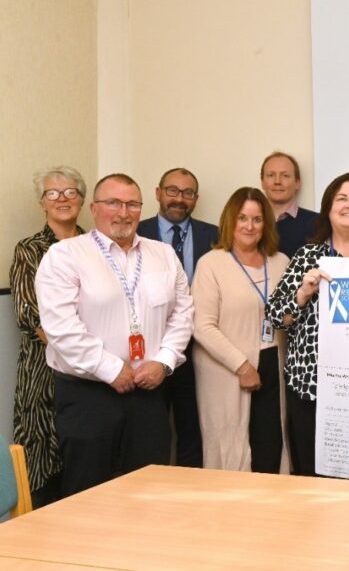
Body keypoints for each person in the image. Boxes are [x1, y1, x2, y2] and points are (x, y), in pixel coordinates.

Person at [35, 173, 193, 497]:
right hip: (88, 397)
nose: (124, 212)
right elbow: (61, 328)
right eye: (113, 203)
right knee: (87, 494)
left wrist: (163, 363)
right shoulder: (65, 256)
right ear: (93, 208)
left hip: (148, 393)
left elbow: (182, 315)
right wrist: (110, 368)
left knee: (149, 491)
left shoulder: (163, 254)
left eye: (132, 203)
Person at [266, 172, 349, 476]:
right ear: (328, 207)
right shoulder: (306, 255)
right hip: (312, 391)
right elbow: (275, 316)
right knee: (314, 479)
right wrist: (302, 293)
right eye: (342, 199)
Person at [192, 188, 289, 473]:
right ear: (230, 221)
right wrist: (242, 365)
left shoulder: (281, 261)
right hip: (228, 369)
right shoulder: (211, 264)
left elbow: (288, 314)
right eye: (242, 218)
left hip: (274, 362)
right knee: (231, 446)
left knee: (270, 443)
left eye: (257, 219)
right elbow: (202, 325)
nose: (249, 226)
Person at [9, 166, 87, 507]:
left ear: (82, 200)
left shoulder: (95, 246)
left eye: (70, 192)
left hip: (90, 369)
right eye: (53, 193)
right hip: (44, 371)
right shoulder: (28, 250)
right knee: (42, 454)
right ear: (42, 203)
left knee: (84, 454)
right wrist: (79, 351)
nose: (62, 199)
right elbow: (30, 313)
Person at [138, 167, 218, 468]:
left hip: (199, 347)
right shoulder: (136, 231)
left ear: (195, 199)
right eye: (172, 191)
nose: (179, 199)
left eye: (187, 193)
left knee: (192, 427)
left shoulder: (214, 234)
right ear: (158, 193)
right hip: (148, 351)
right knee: (150, 428)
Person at [260, 151, 319, 258]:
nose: (277, 181)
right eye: (271, 175)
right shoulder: (249, 224)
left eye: (285, 176)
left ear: (297, 183)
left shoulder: (317, 223)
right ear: (262, 182)